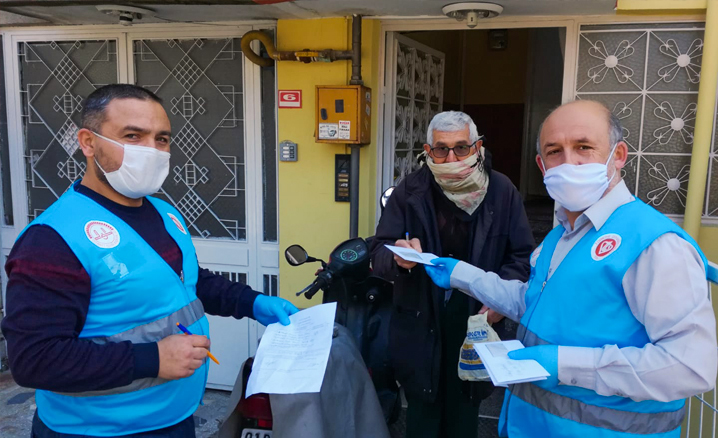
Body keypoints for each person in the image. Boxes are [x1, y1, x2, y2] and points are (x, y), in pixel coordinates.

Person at [1, 84, 299, 437]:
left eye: (162, 139)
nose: (151, 151)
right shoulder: (52, 239)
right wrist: (153, 359)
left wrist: (253, 302)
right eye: (133, 136)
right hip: (95, 429)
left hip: (174, 416)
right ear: (88, 142)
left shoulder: (164, 213)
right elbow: (35, 359)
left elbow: (187, 281)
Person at [425, 100, 717, 438]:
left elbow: (690, 367)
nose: (569, 162)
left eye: (584, 147)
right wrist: (463, 274)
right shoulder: (560, 236)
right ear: (541, 165)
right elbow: (536, 303)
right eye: (554, 151)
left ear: (618, 155)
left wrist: (564, 365)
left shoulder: (654, 244)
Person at [370, 111, 535, 437]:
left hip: (477, 315)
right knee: (422, 413)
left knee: (465, 409)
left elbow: (521, 257)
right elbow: (379, 251)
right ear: (427, 150)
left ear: (478, 147)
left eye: (461, 148)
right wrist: (398, 258)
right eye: (441, 149)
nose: (451, 158)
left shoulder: (501, 191)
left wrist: (500, 301)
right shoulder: (410, 190)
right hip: (420, 316)